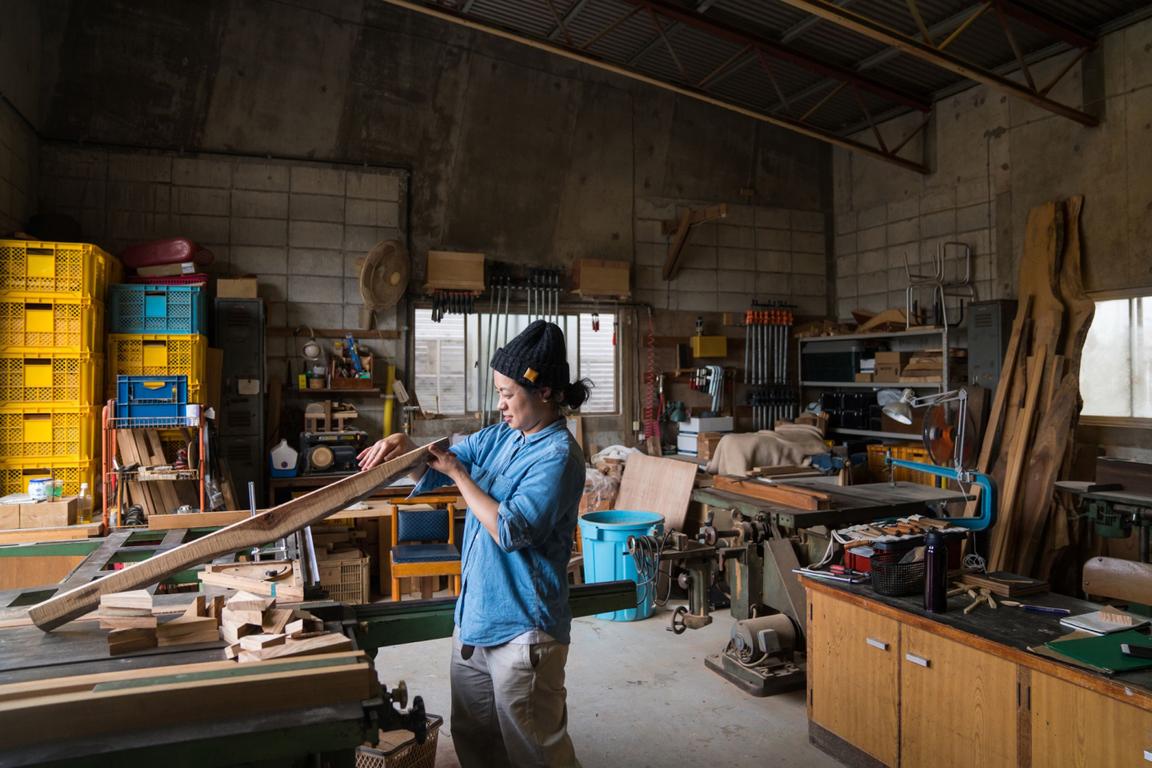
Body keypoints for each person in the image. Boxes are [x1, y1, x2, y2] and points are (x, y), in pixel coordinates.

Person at [358, 320, 590, 768]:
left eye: (507, 393)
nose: (499, 403)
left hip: (524, 628)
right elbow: (439, 463)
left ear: (543, 393)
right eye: (498, 391)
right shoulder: (502, 435)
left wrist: (460, 477)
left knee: (536, 751)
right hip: (476, 617)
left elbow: (509, 529)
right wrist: (409, 448)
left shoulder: (558, 456)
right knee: (476, 742)